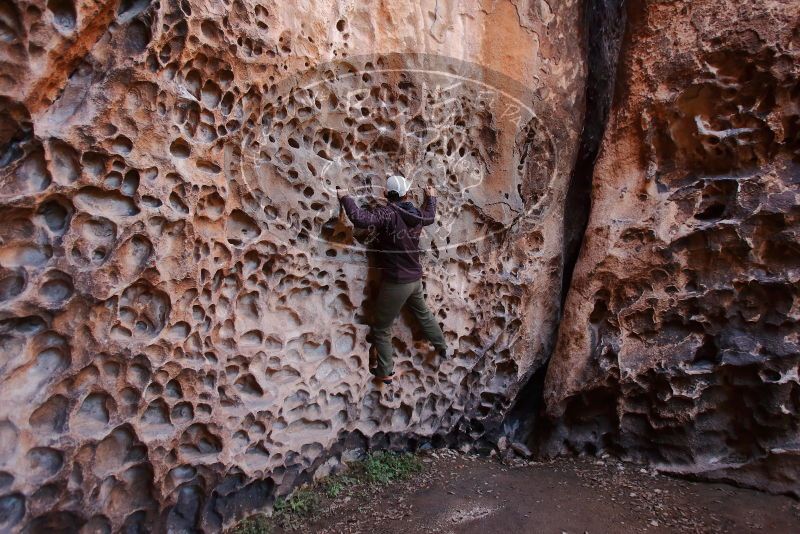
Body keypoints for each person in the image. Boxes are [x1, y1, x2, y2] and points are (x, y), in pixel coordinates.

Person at [337, 175, 447, 385]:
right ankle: (441, 346)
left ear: (386, 194)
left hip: (397, 282)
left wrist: (345, 197)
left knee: (381, 328)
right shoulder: (415, 213)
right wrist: (431, 197)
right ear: (407, 193)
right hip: (414, 278)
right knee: (423, 313)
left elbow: (360, 219)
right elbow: (430, 216)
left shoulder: (387, 213)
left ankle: (386, 371)